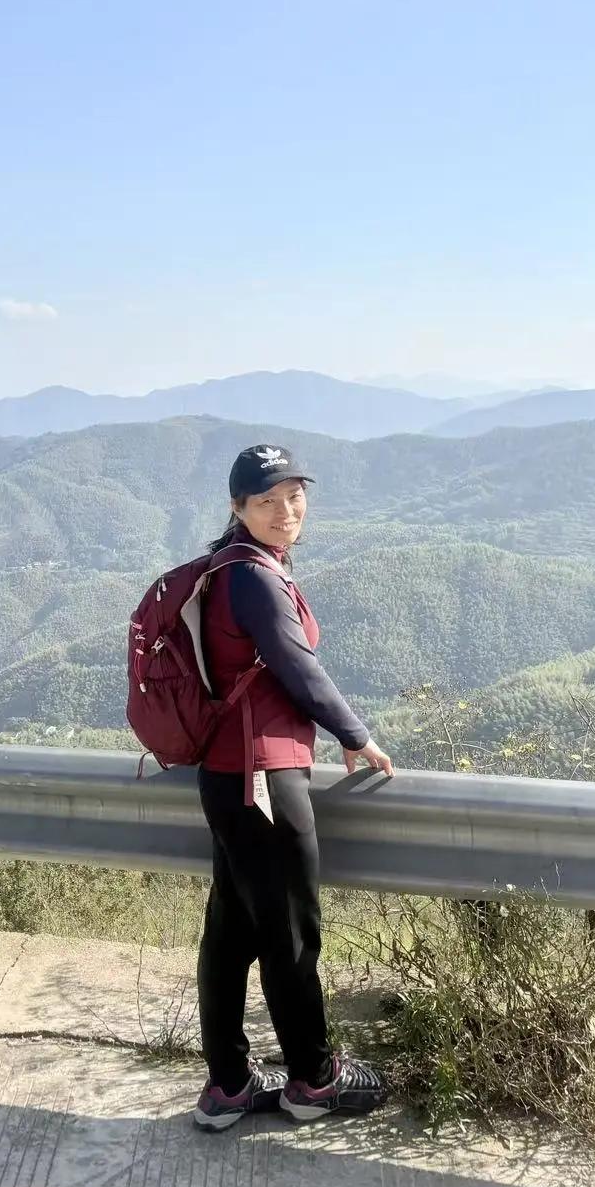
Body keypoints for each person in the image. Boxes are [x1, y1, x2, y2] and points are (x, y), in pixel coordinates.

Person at [192, 443, 395, 1131]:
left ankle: (227, 1087)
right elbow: (297, 666)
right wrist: (354, 733)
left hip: (228, 776)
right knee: (291, 935)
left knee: (231, 933)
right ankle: (313, 1080)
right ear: (237, 507)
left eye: (294, 496)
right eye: (267, 500)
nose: (286, 511)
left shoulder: (227, 567)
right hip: (264, 778)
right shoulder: (253, 576)